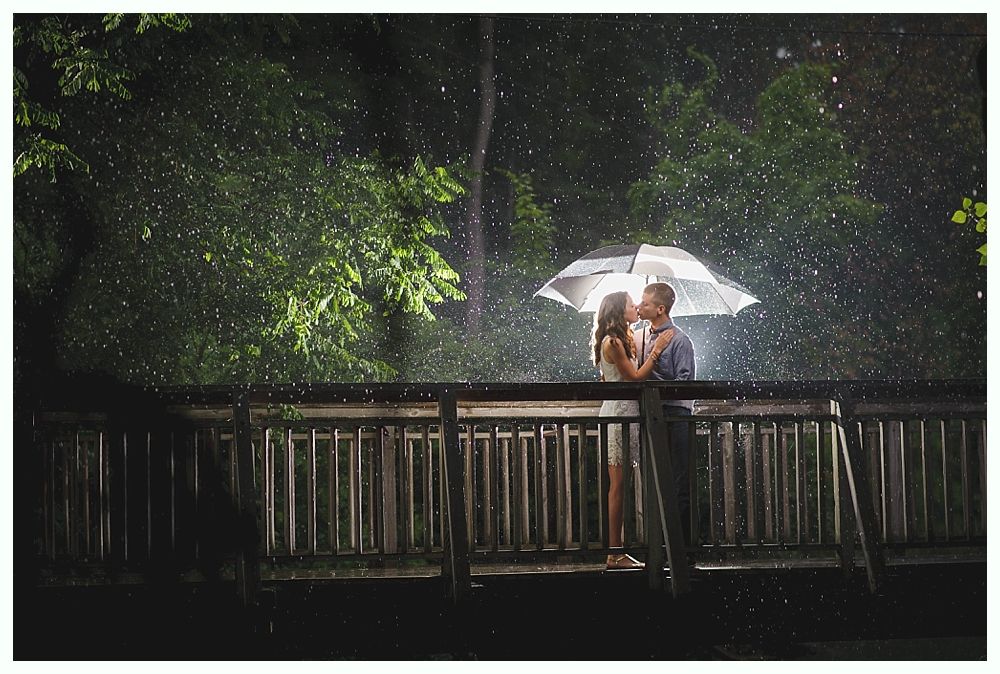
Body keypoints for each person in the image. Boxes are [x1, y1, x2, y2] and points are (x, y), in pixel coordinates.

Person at [592, 291, 674, 570]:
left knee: (621, 485)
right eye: (631, 305)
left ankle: (617, 551)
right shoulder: (613, 342)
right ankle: (614, 554)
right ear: (619, 311)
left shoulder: (620, 338)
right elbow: (636, 377)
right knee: (617, 487)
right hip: (619, 415)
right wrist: (658, 350)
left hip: (625, 414)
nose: (636, 307)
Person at [635, 282, 697, 545]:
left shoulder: (680, 341)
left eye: (645, 303)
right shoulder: (640, 337)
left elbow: (685, 384)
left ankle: (682, 550)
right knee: (654, 483)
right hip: (650, 417)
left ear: (660, 309)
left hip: (675, 417)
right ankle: (657, 546)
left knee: (679, 483)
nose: (640, 306)